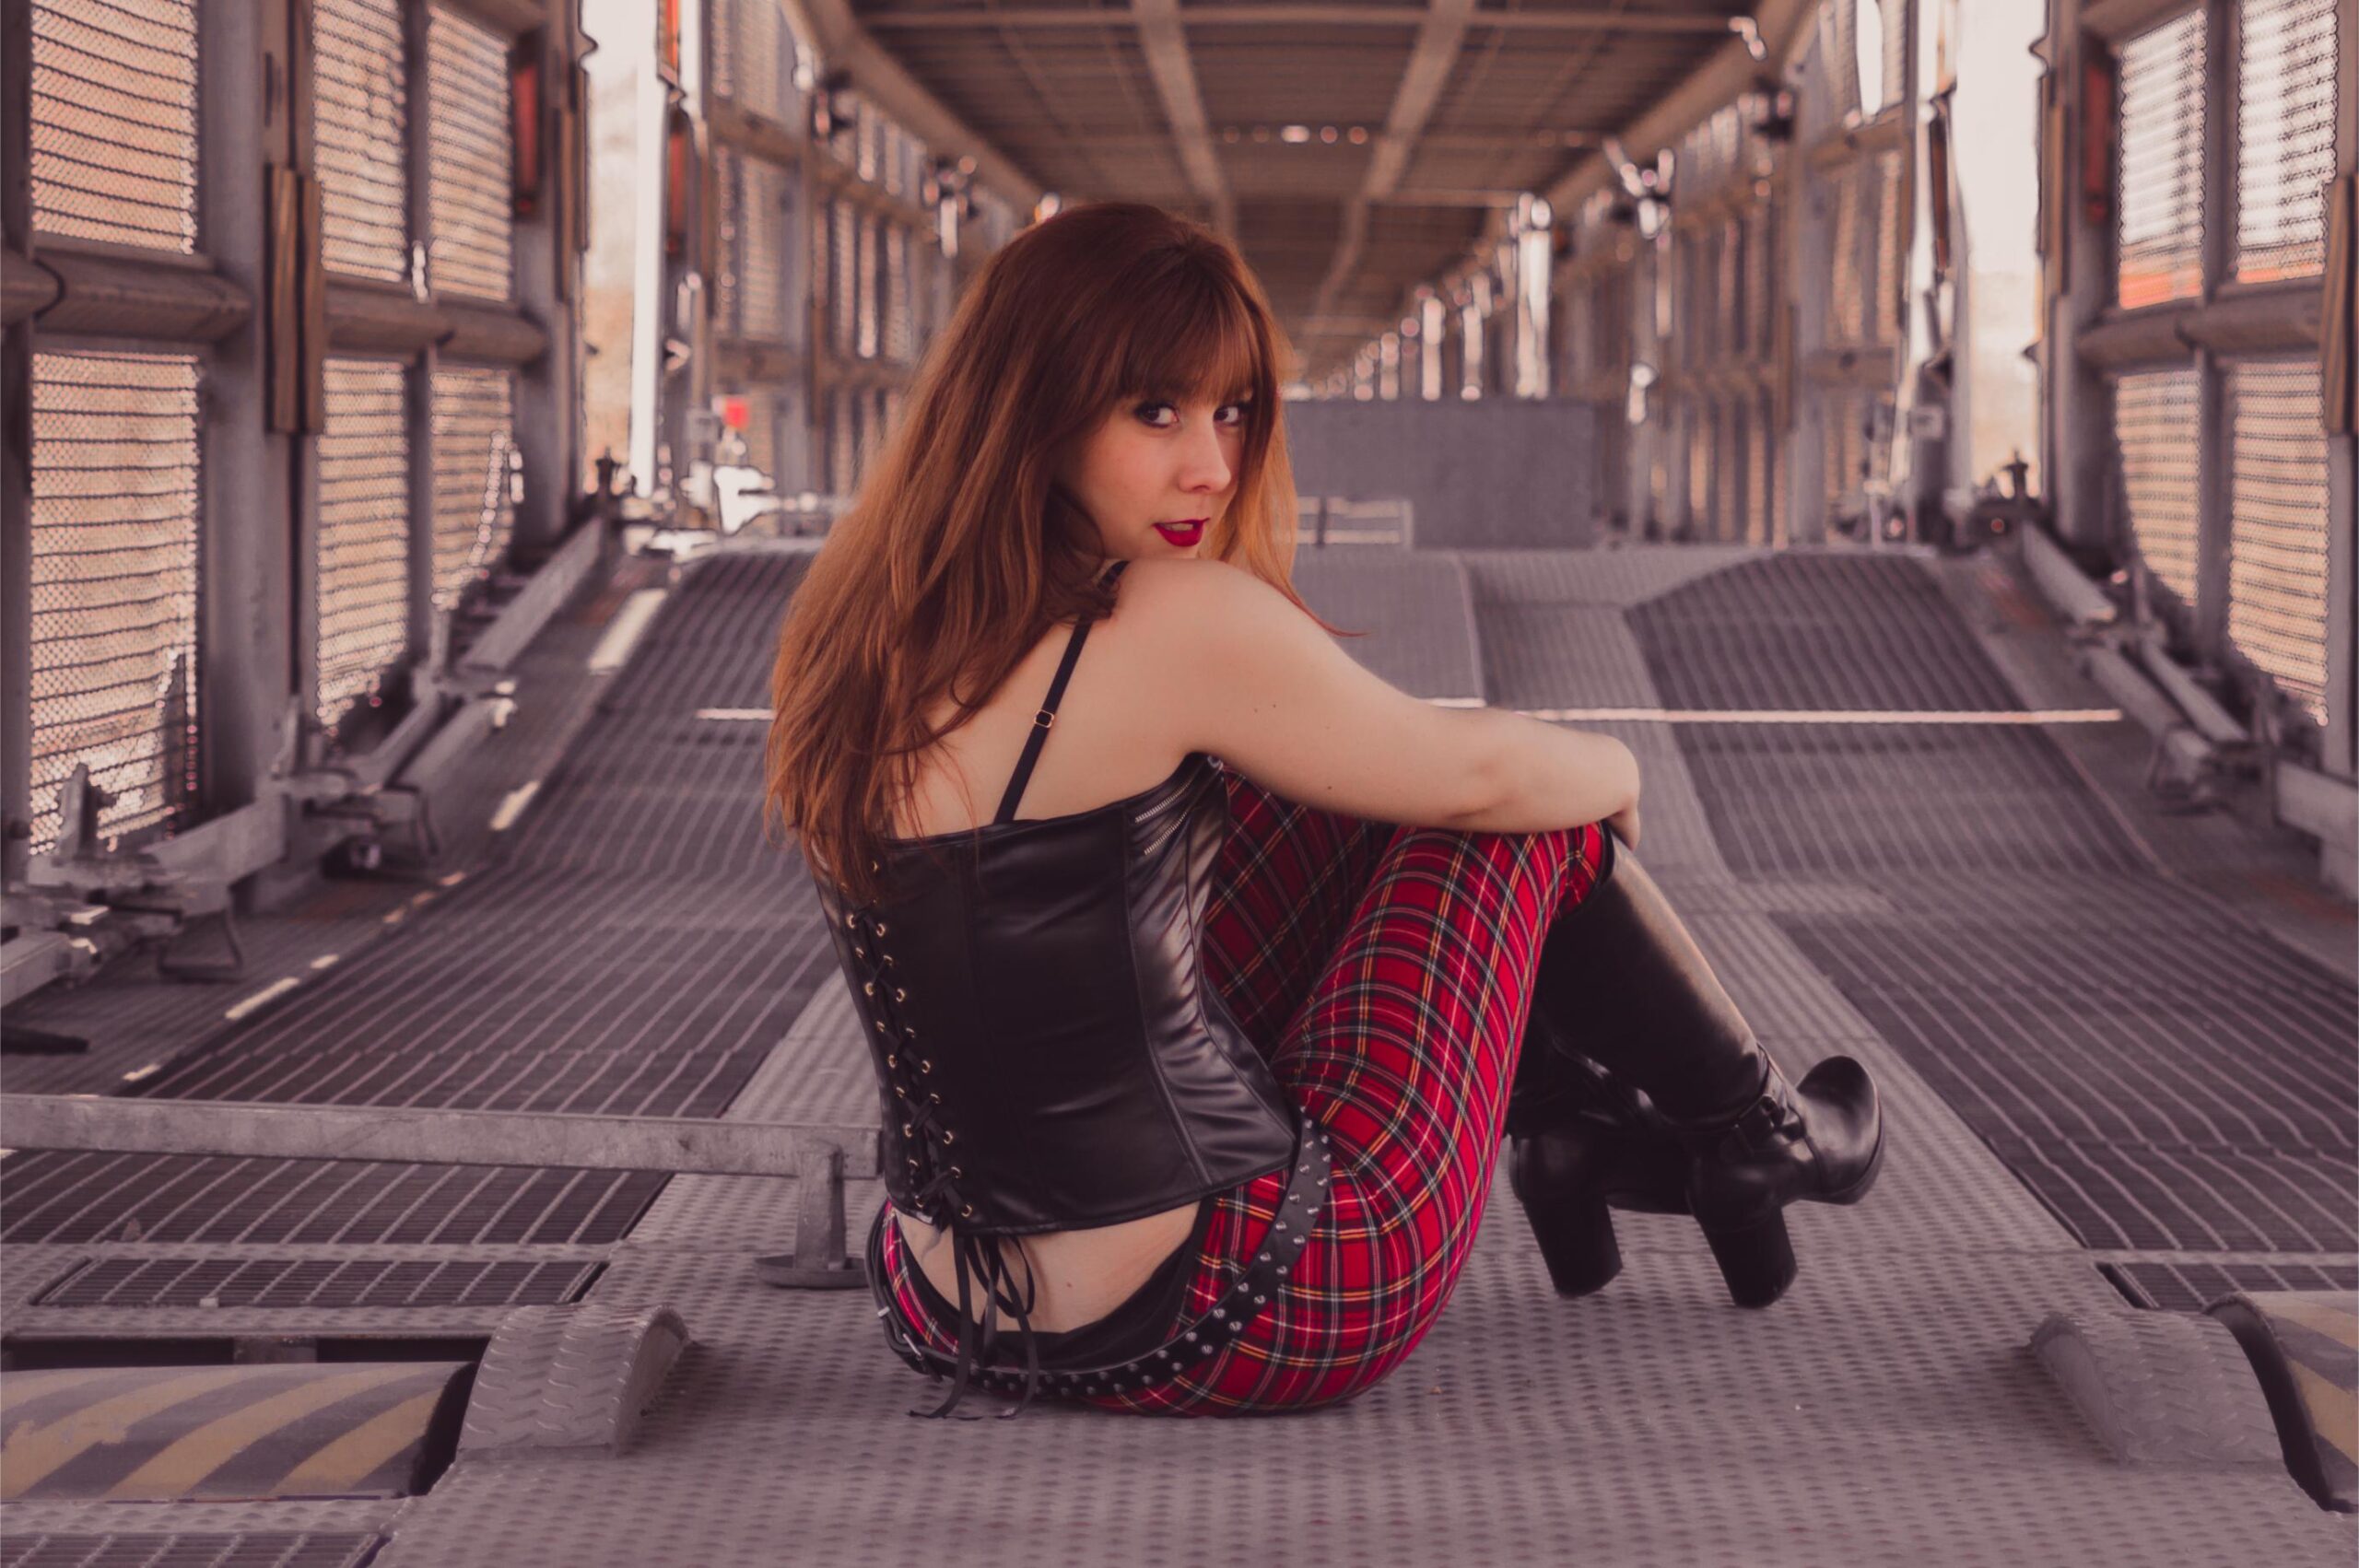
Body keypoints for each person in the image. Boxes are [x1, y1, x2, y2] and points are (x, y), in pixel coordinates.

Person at [763, 202, 1883, 1421]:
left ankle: (1575, 1121)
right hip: (1248, 1302)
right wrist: (1617, 773)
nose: (1212, 465)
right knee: (1534, 814)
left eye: (1231, 411)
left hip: (947, 1306)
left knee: (1334, 792)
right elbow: (1478, 781)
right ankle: (1748, 1128)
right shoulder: (1169, 617)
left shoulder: (857, 618)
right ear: (1034, 406)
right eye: (1156, 411)